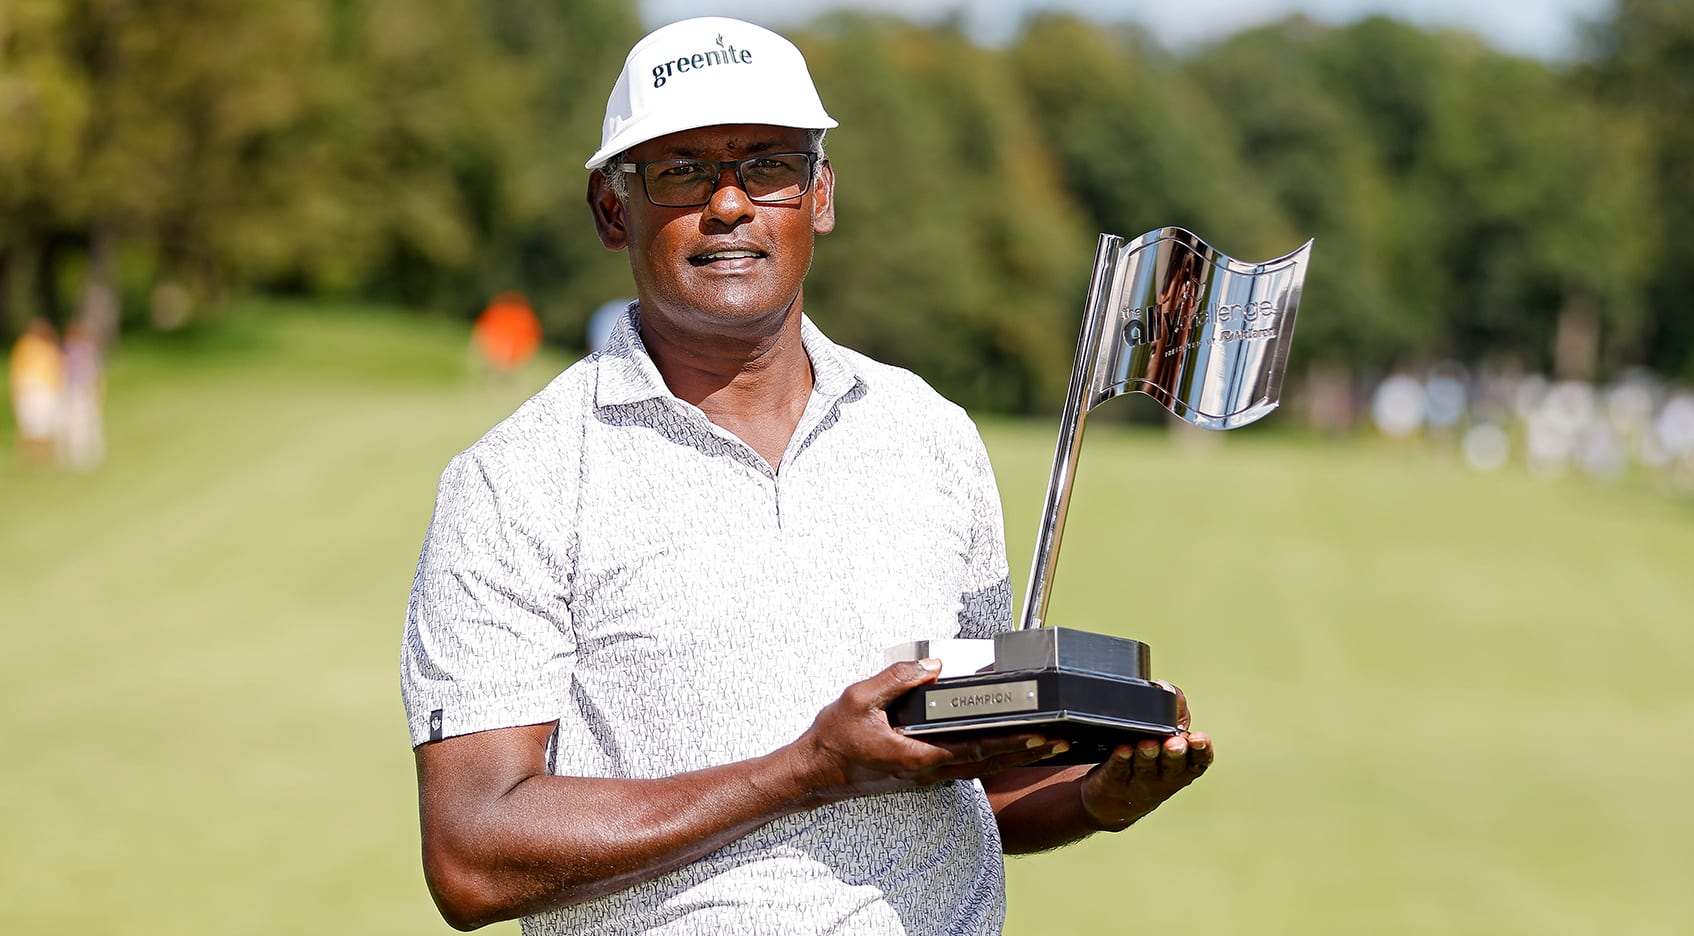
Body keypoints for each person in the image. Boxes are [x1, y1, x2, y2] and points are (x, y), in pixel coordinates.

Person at [401, 17, 1212, 934]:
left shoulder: (931, 434)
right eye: (682, 170)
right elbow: (473, 855)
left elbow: (973, 774)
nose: (731, 205)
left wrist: (1096, 792)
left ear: (819, 193)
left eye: (770, 166)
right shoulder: (516, 481)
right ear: (611, 208)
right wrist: (805, 770)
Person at [9, 318, 66, 470]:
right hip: (34, 390)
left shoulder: (48, 348)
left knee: (43, 427)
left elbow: (58, 371)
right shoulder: (26, 346)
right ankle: (34, 461)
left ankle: (43, 461)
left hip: (43, 390)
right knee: (33, 428)